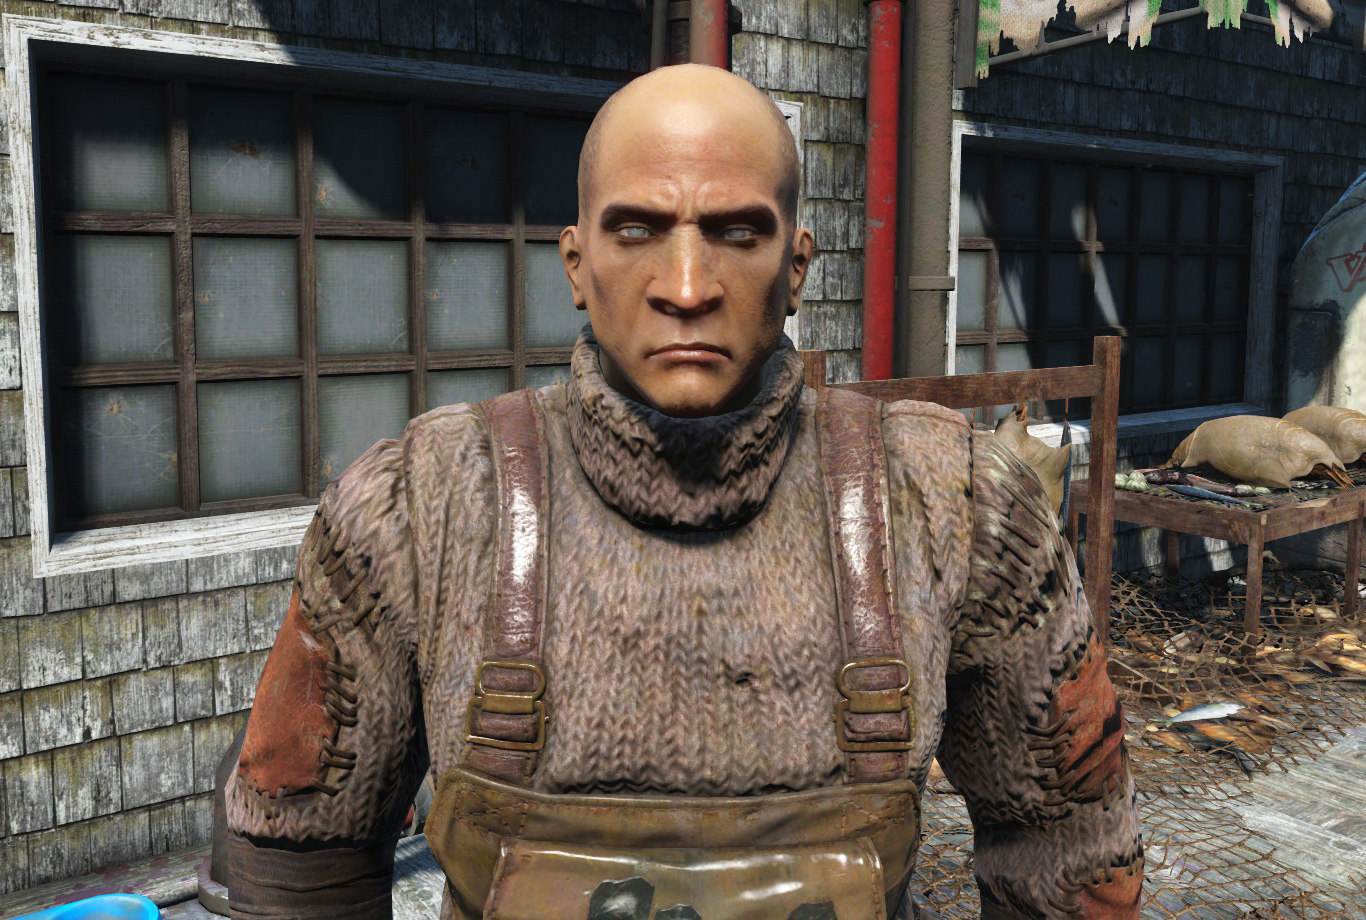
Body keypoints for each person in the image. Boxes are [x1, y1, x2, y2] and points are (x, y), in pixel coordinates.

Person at [221, 64, 1143, 919]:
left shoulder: (956, 502)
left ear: (796, 267)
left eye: (737, 233)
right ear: (576, 264)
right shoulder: (421, 507)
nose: (688, 287)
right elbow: (295, 865)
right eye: (637, 231)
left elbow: (1070, 853)